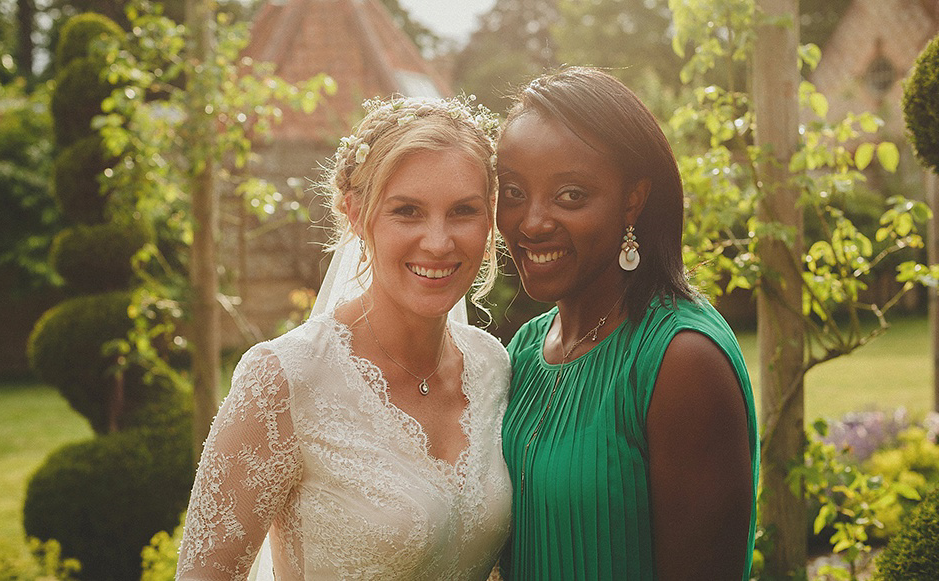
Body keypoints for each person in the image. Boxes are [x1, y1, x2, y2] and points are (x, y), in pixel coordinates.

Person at [175, 95, 512, 580]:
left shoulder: (493, 367)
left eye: (463, 211)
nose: (438, 242)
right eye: (408, 211)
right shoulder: (283, 380)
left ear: (490, 219)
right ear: (356, 213)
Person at [496, 67, 760, 580]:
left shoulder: (681, 359)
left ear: (633, 201)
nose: (531, 222)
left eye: (570, 195)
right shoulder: (525, 350)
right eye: (513, 191)